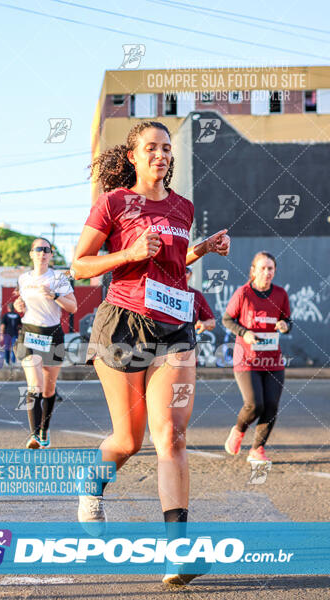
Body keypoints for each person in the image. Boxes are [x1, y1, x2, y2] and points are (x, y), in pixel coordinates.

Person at [72, 121, 230, 586]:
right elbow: (79, 266)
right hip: (122, 322)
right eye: (151, 148)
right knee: (128, 441)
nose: (160, 155)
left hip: (175, 326)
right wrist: (128, 253)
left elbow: (173, 264)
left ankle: (175, 554)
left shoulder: (184, 206)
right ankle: (91, 486)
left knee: (173, 436)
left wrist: (201, 248)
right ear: (134, 156)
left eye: (166, 148)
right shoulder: (114, 202)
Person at [222, 251, 292, 463]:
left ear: (275, 271)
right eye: (262, 268)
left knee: (271, 406)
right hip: (247, 359)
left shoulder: (280, 294)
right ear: (253, 270)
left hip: (273, 360)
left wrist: (284, 325)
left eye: (270, 268)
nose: (266, 272)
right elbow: (227, 319)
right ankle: (238, 430)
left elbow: (288, 321)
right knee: (254, 404)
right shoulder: (243, 293)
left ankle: (257, 449)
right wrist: (245, 333)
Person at [13, 238, 77, 449]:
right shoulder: (23, 278)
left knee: (49, 390)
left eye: (46, 250)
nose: (42, 253)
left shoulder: (58, 278)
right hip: (29, 333)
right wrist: (17, 305)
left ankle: (44, 429)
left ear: (50, 255)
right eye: (38, 249)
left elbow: (73, 307)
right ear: (31, 254)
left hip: (52, 335)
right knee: (35, 385)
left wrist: (55, 295)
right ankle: (34, 436)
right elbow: (20, 304)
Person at [185, 267, 215, 335]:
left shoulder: (196, 295)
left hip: (186, 342)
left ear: (191, 274)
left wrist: (204, 324)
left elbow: (212, 322)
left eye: (186, 271)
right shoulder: (166, 290)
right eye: (180, 270)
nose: (183, 274)